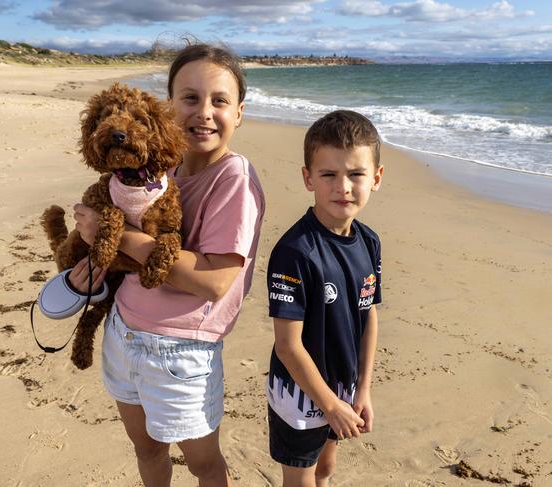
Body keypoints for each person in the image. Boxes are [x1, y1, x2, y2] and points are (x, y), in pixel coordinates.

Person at [69, 43, 265, 487]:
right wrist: (93, 266)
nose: (204, 112)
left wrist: (114, 233)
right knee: (147, 448)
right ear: (168, 108)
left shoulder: (233, 178)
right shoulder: (159, 170)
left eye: (220, 100)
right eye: (190, 98)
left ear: (240, 113)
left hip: (181, 352)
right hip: (123, 332)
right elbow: (127, 258)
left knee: (203, 464)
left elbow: (214, 281)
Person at [265, 110, 384, 487]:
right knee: (300, 477)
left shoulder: (368, 241)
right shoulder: (295, 252)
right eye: (329, 174)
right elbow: (287, 346)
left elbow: (369, 316)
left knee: (326, 468)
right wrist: (330, 406)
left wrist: (362, 388)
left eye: (356, 174)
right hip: (300, 393)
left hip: (343, 385)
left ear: (376, 179)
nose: (343, 187)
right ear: (308, 178)